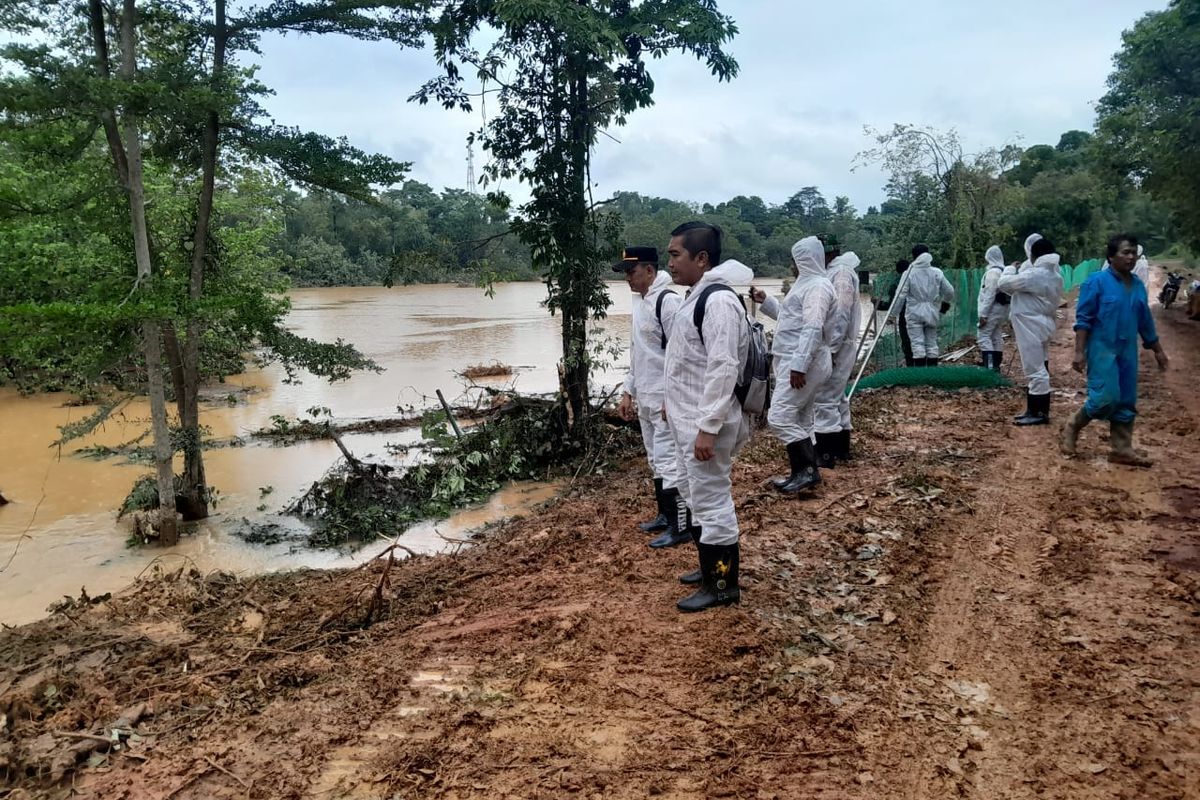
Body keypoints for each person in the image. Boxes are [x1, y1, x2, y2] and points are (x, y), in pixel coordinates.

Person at [664, 221, 752, 612]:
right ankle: (707, 567)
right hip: (688, 420)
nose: (670, 263)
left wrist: (707, 427)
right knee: (696, 495)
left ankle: (722, 584)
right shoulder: (695, 295)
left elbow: (723, 366)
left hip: (705, 425)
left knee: (713, 502)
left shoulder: (716, 301)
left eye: (675, 255)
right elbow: (688, 362)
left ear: (702, 259)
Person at [1061, 234, 1169, 465]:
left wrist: (1158, 350)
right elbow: (1083, 320)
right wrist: (1079, 352)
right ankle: (1073, 424)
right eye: (1125, 252)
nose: (1130, 257)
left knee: (1126, 399)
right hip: (1102, 349)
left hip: (1128, 350)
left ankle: (1121, 448)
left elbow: (1145, 322)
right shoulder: (1096, 282)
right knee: (1105, 399)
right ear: (1111, 256)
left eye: (1133, 253)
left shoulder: (1138, 286)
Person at [613, 246, 686, 548]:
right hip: (646, 395)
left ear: (649, 271)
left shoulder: (668, 303)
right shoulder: (641, 303)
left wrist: (674, 397)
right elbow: (637, 352)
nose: (627, 278)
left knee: (670, 462)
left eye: (631, 272)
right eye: (626, 273)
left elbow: (681, 355)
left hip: (666, 398)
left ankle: (680, 525)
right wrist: (628, 391)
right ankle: (663, 516)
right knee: (656, 459)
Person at [751, 236, 836, 493]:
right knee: (801, 416)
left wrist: (799, 365)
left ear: (804, 260)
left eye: (794, 260)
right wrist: (765, 301)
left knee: (779, 416)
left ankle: (807, 472)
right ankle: (804, 472)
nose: (791, 265)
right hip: (798, 359)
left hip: (803, 362)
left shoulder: (817, 287)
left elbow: (812, 327)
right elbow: (791, 319)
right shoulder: (806, 284)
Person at [998, 237, 1064, 425]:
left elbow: (1003, 284)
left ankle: (1039, 413)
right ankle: (1034, 409)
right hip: (1043, 323)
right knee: (1040, 365)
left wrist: (1010, 269)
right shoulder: (1055, 275)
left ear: (1034, 255)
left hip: (1030, 325)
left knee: (1034, 369)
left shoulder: (1034, 275)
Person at [813, 236, 862, 466]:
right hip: (840, 344)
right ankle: (841, 448)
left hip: (838, 345)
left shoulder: (840, 274)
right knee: (837, 396)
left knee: (824, 397)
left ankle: (826, 453)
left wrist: (830, 349)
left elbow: (841, 313)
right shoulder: (836, 272)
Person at [896, 244, 955, 366]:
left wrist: (894, 312)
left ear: (914, 257)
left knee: (917, 343)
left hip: (914, 311)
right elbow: (949, 291)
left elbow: (901, 294)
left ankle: (920, 374)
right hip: (932, 310)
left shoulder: (908, 273)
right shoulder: (937, 272)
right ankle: (932, 372)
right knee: (931, 342)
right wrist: (945, 303)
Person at [976, 245, 1010, 371]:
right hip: (1002, 309)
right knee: (996, 336)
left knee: (983, 336)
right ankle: (996, 366)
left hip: (992, 309)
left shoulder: (993, 273)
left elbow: (989, 294)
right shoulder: (1004, 271)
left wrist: (983, 314)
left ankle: (989, 366)